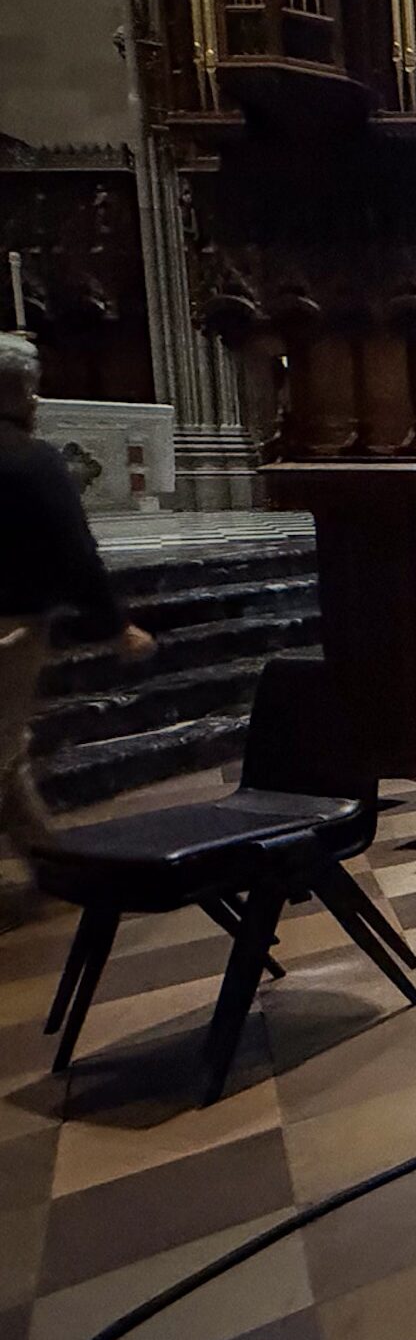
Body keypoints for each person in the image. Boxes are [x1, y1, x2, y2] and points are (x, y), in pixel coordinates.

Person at [0, 334, 153, 923]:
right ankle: (53, 862)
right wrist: (115, 626)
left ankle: (50, 861)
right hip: (8, 627)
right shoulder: (30, 459)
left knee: (7, 749)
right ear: (24, 392)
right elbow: (75, 552)